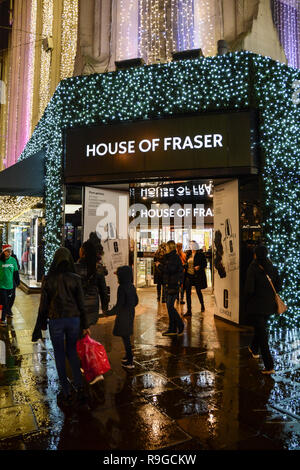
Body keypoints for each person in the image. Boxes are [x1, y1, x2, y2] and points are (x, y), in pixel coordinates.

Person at [32, 247, 89, 407]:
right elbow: (81, 304)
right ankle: (78, 384)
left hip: (56, 320)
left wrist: (41, 323)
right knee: (72, 350)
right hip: (73, 320)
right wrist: (85, 324)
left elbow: (43, 305)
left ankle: (65, 388)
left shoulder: (48, 279)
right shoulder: (75, 278)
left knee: (58, 353)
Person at [244, 245, 282, 375]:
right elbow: (279, 286)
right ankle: (254, 350)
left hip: (257, 306)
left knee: (262, 335)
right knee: (260, 328)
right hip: (269, 305)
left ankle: (269, 365)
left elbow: (249, 289)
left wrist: (246, 301)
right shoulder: (272, 266)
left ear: (255, 254)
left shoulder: (253, 267)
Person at [106, 266, 138, 369]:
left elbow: (119, 304)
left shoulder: (122, 288)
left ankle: (130, 361)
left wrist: (109, 313)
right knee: (126, 336)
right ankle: (128, 356)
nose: (117, 278)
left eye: (118, 276)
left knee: (126, 337)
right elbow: (136, 301)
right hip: (130, 313)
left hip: (123, 315)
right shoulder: (131, 286)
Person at [75, 240, 109, 326]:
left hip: (78, 305)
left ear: (83, 251)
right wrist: (105, 308)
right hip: (93, 306)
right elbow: (103, 290)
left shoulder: (75, 267)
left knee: (79, 331)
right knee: (87, 330)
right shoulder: (98, 268)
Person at [162, 240, 185, 336]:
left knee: (170, 306)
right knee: (169, 306)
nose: (165, 248)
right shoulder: (171, 257)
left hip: (173, 285)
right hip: (170, 284)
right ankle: (172, 328)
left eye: (166, 247)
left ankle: (179, 325)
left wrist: (160, 266)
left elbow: (170, 270)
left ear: (170, 247)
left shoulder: (174, 258)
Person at [184, 241, 207, 317]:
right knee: (187, 293)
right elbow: (186, 263)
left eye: (192, 245)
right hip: (188, 275)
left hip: (196, 276)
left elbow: (205, 264)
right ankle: (189, 310)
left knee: (198, 291)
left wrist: (199, 267)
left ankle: (202, 305)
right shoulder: (188, 254)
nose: (191, 246)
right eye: (190, 245)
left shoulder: (200, 254)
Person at [0, 245, 19, 326]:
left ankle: (7, 312)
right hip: (1, 285)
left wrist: (17, 282)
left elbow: (15, 272)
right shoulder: (0, 261)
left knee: (8, 301)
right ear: (3, 252)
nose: (9, 253)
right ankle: (3, 319)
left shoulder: (13, 260)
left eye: (10, 251)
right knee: (4, 301)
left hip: (10, 285)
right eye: (7, 251)